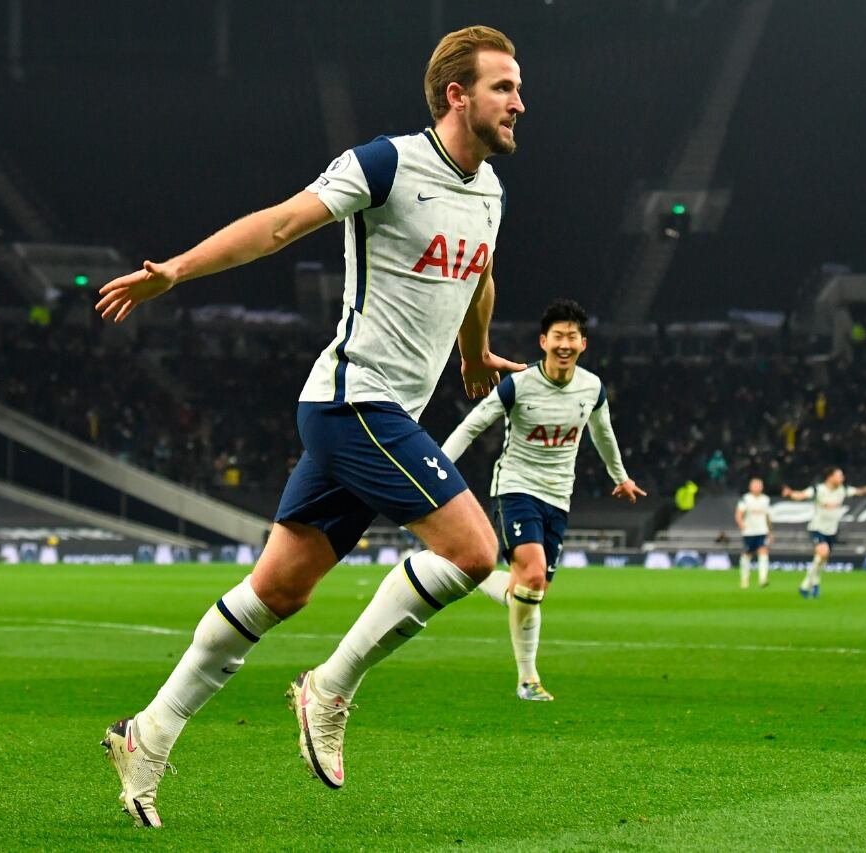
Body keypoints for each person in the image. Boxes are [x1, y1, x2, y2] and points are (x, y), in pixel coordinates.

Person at [93, 25, 526, 827]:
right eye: (504, 87)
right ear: (457, 95)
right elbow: (282, 223)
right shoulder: (387, 163)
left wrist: (475, 353)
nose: (519, 103)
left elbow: (482, 273)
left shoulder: (490, 191)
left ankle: (147, 731)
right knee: (472, 550)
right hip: (353, 399)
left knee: (278, 589)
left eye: (519, 87)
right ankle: (329, 688)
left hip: (382, 409)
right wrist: (178, 271)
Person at [441, 299, 644, 700]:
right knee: (531, 577)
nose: (564, 343)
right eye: (558, 336)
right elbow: (472, 425)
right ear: (543, 341)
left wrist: (620, 478)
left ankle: (473, 573)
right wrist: (437, 468)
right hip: (515, 487)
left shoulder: (592, 388)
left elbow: (603, 435)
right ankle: (527, 679)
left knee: (531, 590)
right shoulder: (519, 385)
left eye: (572, 336)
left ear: (582, 344)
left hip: (559, 496)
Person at [781, 468, 866, 599]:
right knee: (823, 552)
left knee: (820, 560)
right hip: (817, 528)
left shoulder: (843, 490)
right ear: (830, 477)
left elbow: (863, 491)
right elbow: (801, 495)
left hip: (832, 531)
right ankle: (805, 586)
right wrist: (790, 493)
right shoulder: (818, 489)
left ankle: (814, 585)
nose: (842, 478)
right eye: (839, 475)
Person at [734, 477, 771, 589]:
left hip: (762, 531)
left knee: (763, 552)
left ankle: (763, 579)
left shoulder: (766, 499)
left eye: (759, 485)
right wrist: (741, 524)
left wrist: (769, 531)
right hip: (749, 532)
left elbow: (768, 516)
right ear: (750, 487)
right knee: (747, 554)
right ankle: (744, 579)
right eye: (755, 485)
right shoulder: (745, 499)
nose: (757, 488)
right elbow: (738, 514)